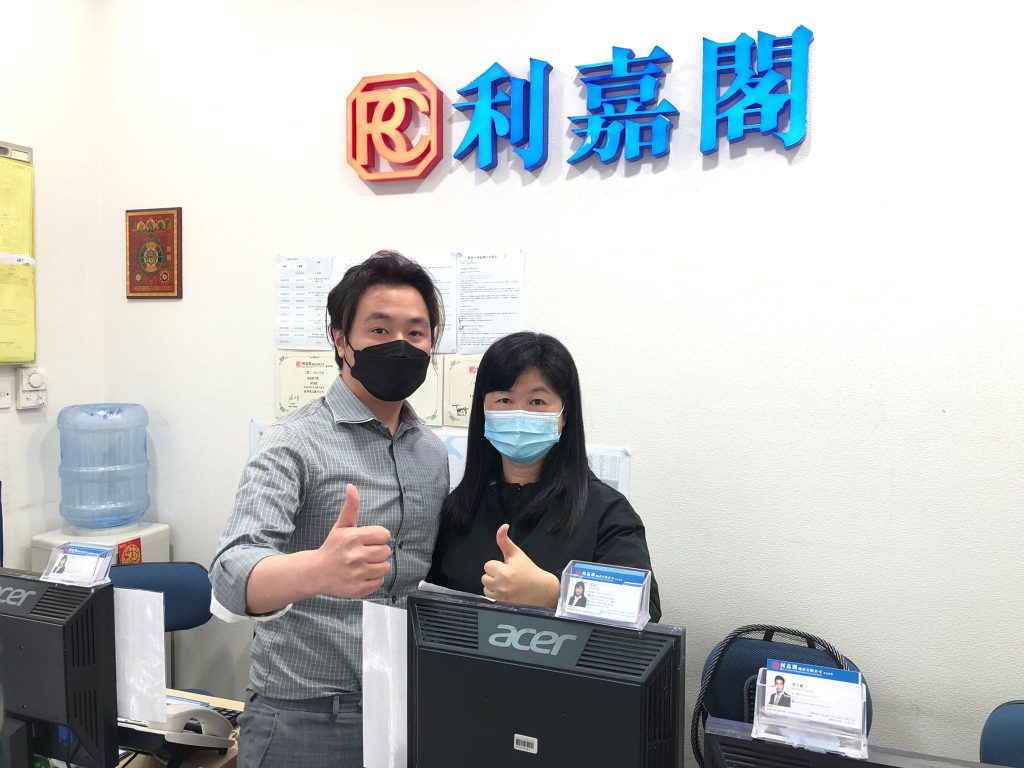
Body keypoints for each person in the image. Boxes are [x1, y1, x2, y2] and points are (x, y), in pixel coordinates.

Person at [210, 251, 449, 768]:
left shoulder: (431, 454)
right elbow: (230, 574)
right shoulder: (294, 442)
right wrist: (316, 570)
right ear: (341, 339)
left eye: (416, 332)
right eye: (379, 330)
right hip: (305, 716)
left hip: (403, 706)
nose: (400, 345)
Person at [428, 331, 661, 621]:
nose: (519, 413)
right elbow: (429, 607)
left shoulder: (607, 512)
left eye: (537, 401)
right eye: (504, 400)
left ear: (564, 414)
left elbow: (644, 610)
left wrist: (554, 595)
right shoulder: (458, 509)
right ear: (483, 410)